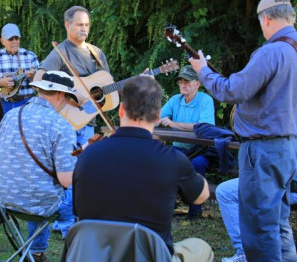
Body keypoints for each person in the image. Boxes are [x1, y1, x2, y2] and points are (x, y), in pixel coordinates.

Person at [189, 0, 297, 262]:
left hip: (264, 151)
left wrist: (203, 71)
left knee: (259, 232)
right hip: (289, 149)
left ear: (265, 19)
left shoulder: (272, 52)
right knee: (279, 226)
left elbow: (232, 90)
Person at [73, 76, 214, 261]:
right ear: (157, 116)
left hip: (95, 256)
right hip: (149, 256)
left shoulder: (87, 156)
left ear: (121, 109)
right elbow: (201, 195)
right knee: (201, 248)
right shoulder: (172, 160)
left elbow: (78, 212)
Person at [0, 70, 78, 262]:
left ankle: (36, 252)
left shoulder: (11, 115)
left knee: (38, 183)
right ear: (60, 95)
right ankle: (82, 254)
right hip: (38, 203)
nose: (66, 105)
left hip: (5, 198)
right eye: (67, 99)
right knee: (91, 196)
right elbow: (66, 180)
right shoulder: (61, 125)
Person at [216, 134, 297, 262]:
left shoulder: (285, 128)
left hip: (291, 186)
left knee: (225, 192)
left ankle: (243, 251)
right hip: (288, 182)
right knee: (279, 227)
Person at [34, 6, 109, 146]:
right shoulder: (60, 52)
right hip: (64, 123)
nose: (84, 29)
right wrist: (73, 93)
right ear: (67, 25)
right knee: (66, 167)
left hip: (89, 122)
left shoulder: (97, 54)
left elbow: (109, 88)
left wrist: (138, 82)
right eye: (80, 24)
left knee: (84, 167)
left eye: (87, 25)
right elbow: (38, 80)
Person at [159, 65, 215, 218]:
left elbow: (204, 127)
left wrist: (173, 123)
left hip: (202, 150)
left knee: (197, 164)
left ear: (198, 84)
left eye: (187, 82)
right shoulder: (175, 100)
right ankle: (167, 206)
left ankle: (195, 211)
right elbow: (156, 117)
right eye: (181, 82)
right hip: (180, 149)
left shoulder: (205, 100)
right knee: (164, 160)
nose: (183, 85)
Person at [0, 23, 39, 115]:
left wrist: (33, 77)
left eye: (17, 38)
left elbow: (38, 86)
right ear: (2, 41)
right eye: (10, 39)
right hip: (2, 104)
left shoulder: (30, 56)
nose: (14, 41)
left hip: (27, 103)